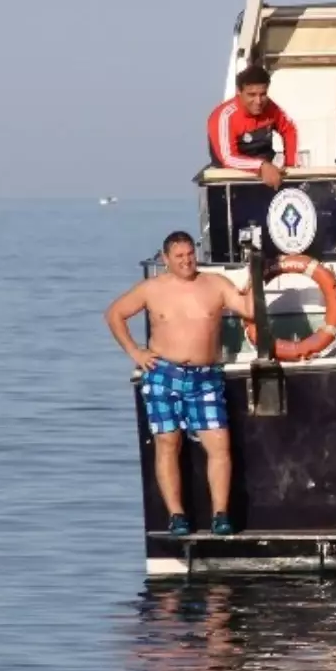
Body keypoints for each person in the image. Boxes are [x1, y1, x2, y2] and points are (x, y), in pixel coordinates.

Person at [104, 230, 253, 537]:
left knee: (219, 445)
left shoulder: (215, 284)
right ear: (165, 259)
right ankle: (176, 516)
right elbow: (114, 314)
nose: (186, 261)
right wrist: (135, 352)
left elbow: (249, 310)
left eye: (190, 254)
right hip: (163, 373)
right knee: (167, 443)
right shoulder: (151, 288)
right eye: (179, 256)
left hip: (205, 377)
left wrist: (259, 276)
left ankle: (221, 515)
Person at [206, 63, 299, 190]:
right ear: (239, 91)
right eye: (252, 95)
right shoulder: (224, 117)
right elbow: (228, 158)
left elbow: (289, 129)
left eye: (263, 94)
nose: (258, 101)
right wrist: (262, 166)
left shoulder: (270, 108)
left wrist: (290, 166)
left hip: (266, 177)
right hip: (231, 181)